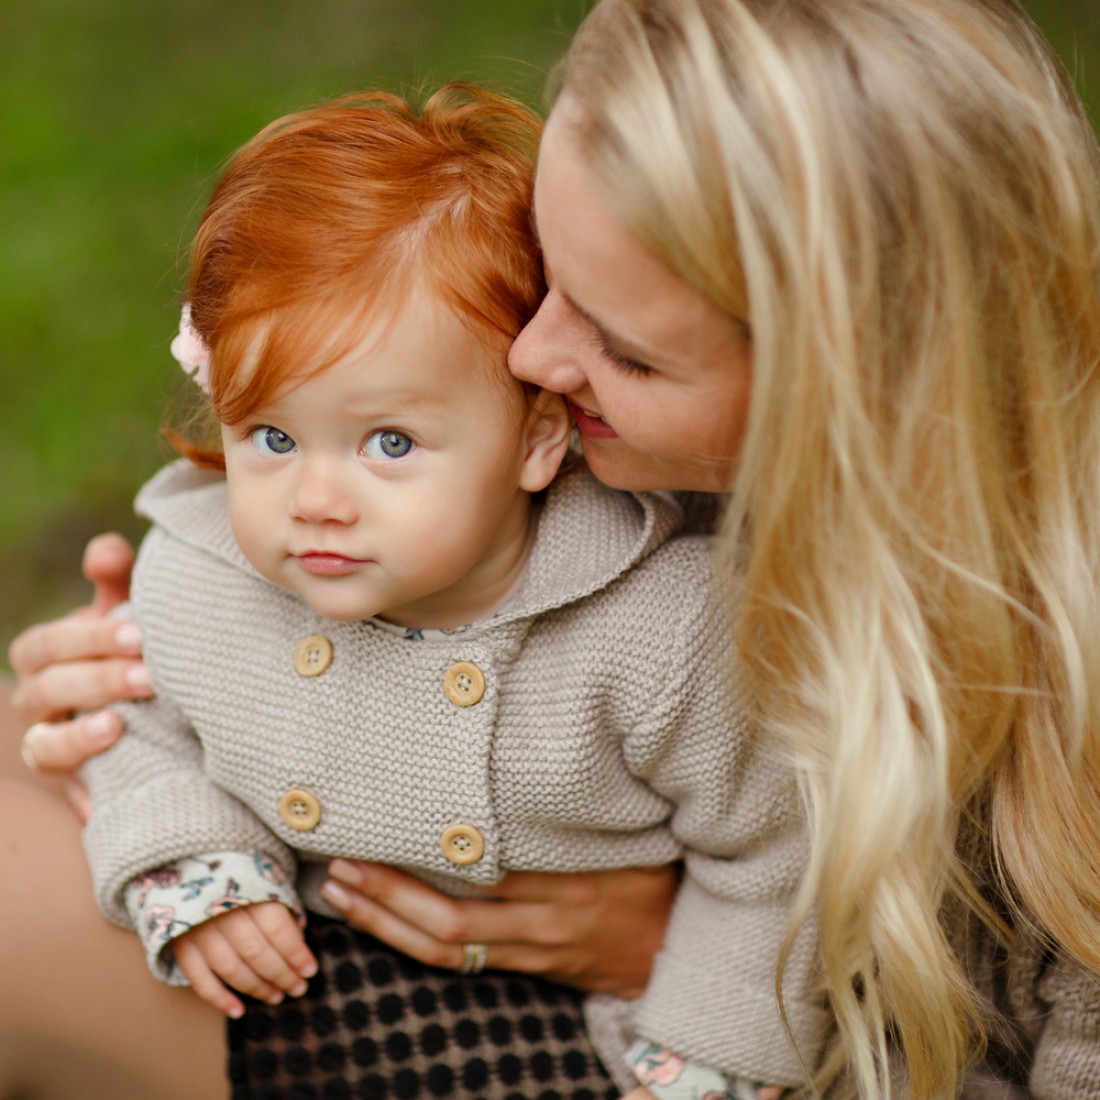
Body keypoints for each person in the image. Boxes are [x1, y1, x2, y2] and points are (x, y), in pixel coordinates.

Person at [8, 0, 1100, 1096]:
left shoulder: (1023, 685)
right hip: (362, 916)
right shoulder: (539, 438)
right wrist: (123, 701)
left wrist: (673, 955)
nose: (531, 351)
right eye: (549, 277)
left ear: (860, 381)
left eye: (623, 348)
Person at [74, 82, 823, 1100]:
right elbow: (135, 720)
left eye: (389, 443)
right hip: (303, 958)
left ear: (534, 438)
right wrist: (199, 861)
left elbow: (776, 846)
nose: (316, 499)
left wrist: (708, 1043)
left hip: (605, 1014)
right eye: (272, 436)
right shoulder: (203, 575)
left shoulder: (660, 630)